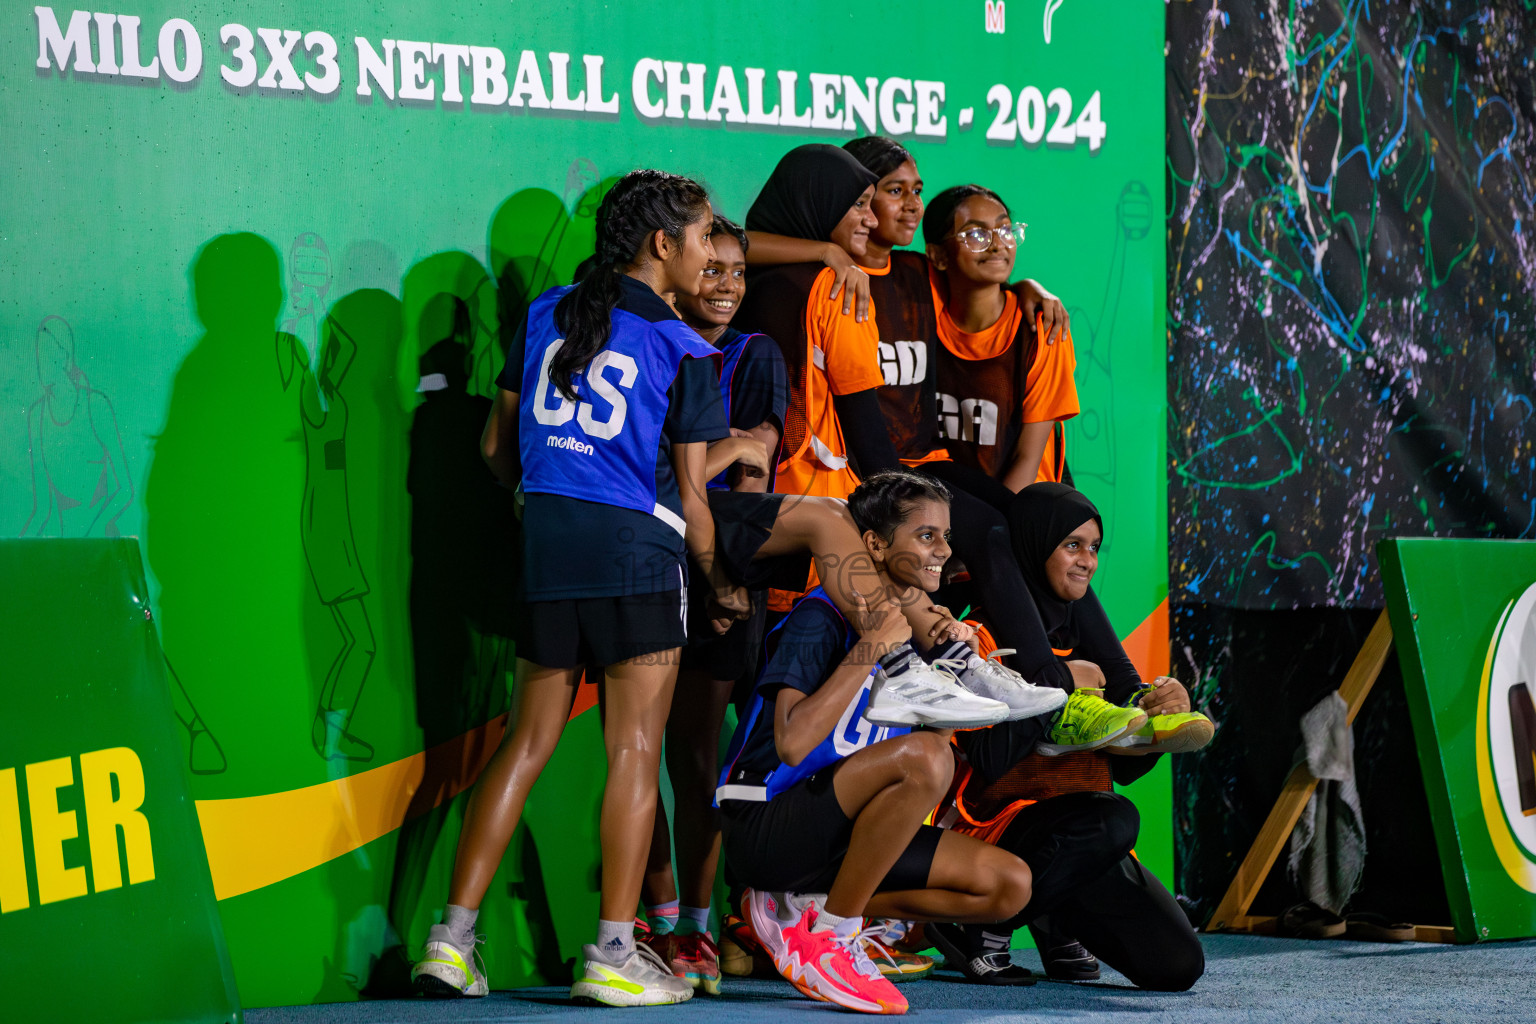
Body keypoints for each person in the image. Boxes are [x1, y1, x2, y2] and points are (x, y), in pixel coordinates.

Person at [412, 171, 1005, 1007]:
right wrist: (726, 586)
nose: (713, 257)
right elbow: (694, 507)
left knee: (525, 744)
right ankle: (615, 951)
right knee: (634, 752)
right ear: (663, 246)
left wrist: (545, 495)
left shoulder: (545, 313)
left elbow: (493, 451)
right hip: (638, 557)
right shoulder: (685, 348)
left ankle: (450, 941)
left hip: (546, 548)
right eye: (699, 241)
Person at [736, 142, 1129, 744]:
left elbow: (978, 290)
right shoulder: (834, 284)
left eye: (911, 190)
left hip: (900, 467)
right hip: (852, 480)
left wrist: (1030, 289)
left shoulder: (916, 274)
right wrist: (825, 253)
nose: (897, 207)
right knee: (977, 538)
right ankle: (1033, 691)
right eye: (880, 195)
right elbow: (738, 244)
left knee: (1024, 522)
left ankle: (1109, 686)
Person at [716, 471, 1054, 1015]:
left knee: (1010, 886)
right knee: (927, 759)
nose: (944, 549)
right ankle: (830, 939)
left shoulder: (918, 632)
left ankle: (811, 909)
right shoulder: (820, 616)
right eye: (926, 536)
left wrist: (952, 664)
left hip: (844, 831)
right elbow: (793, 743)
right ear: (873, 544)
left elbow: (920, 751)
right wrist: (869, 650)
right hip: (767, 823)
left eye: (946, 536)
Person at [928, 483, 1210, 990]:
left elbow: (1123, 769)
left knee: (1177, 966)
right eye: (1072, 546)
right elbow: (988, 761)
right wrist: (1059, 685)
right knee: (1114, 819)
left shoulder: (1089, 642)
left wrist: (1153, 724)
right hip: (996, 830)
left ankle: (1050, 914)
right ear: (1035, 548)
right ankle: (982, 925)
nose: (1087, 562)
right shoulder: (977, 636)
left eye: (1094, 547)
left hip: (1075, 840)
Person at [636, 216, 788, 995]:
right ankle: (657, 919)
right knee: (635, 756)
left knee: (695, 762)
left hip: (723, 574)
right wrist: (719, 451)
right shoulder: (642, 343)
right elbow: (658, 461)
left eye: (738, 271)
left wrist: (729, 575)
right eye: (714, 268)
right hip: (645, 562)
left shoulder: (754, 354)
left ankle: (698, 925)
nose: (726, 284)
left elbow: (756, 464)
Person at [924, 185, 1079, 490]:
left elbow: (1027, 458)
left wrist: (994, 530)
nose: (997, 245)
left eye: (1006, 230)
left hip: (1020, 508)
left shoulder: (1042, 329)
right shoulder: (919, 311)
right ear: (938, 255)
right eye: (976, 234)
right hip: (945, 508)